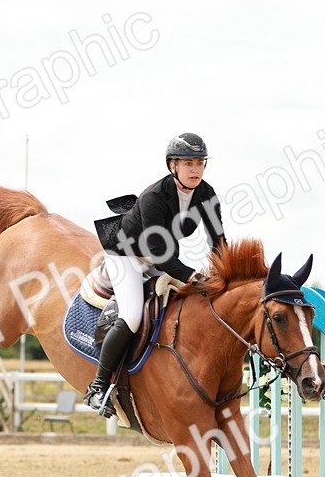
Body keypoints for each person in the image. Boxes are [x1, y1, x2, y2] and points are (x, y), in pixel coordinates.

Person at [85, 132, 227, 417]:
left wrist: (227, 274)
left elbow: (219, 242)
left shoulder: (207, 194)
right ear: (172, 166)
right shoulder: (154, 196)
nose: (195, 170)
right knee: (133, 316)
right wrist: (193, 276)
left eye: (200, 163)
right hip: (126, 255)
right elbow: (159, 254)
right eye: (188, 163)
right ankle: (98, 388)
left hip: (160, 255)